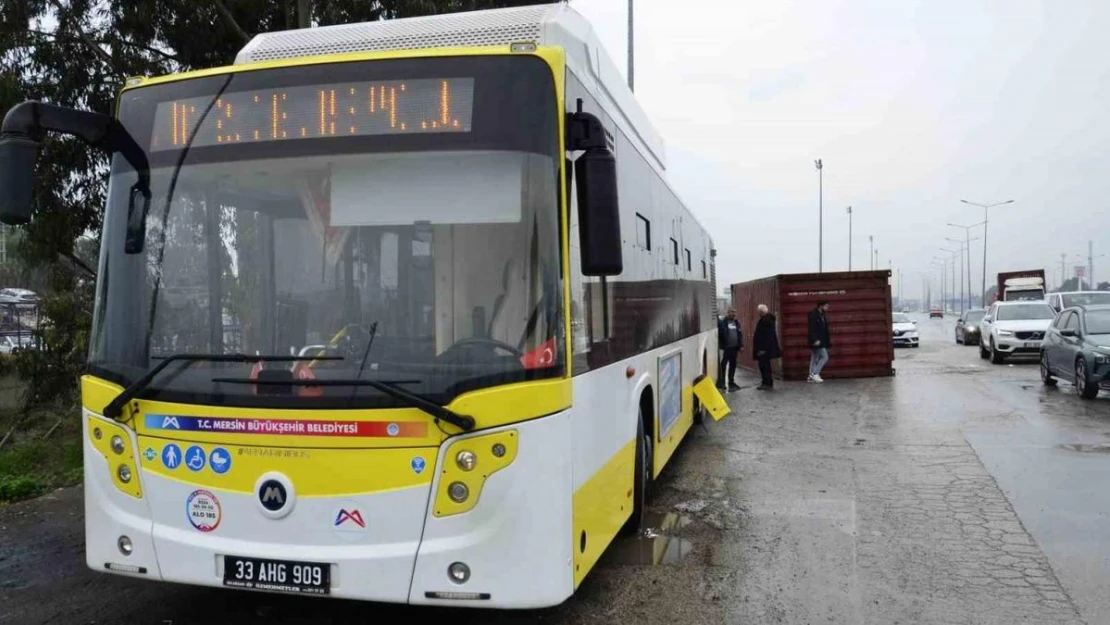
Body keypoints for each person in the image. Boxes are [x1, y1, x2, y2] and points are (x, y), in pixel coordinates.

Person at [752, 304, 781, 390]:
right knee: (765, 365)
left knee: (764, 366)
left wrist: (762, 349)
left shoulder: (765, 321)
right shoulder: (767, 320)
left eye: (759, 311)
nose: (758, 313)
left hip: (763, 349)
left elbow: (765, 337)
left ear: (761, 312)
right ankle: (767, 382)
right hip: (765, 349)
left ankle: (766, 383)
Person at [717, 308, 743, 391]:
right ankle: (722, 383)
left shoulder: (736, 322)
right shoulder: (723, 322)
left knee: (733, 365)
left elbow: (740, 334)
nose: (734, 314)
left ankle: (731, 383)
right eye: (732, 312)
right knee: (723, 365)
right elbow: (721, 334)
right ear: (728, 313)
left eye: (735, 312)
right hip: (726, 348)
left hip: (734, 348)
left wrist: (741, 345)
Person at [807, 300, 831, 382]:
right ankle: (815, 373)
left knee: (814, 358)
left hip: (820, 340)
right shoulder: (814, 315)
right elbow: (812, 328)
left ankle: (811, 376)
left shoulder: (822, 315)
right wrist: (815, 339)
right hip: (817, 341)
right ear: (821, 306)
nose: (827, 308)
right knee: (825, 357)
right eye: (826, 306)